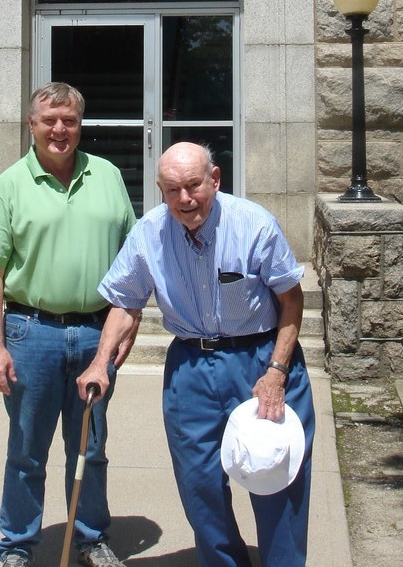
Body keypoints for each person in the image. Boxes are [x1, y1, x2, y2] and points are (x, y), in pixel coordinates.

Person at [78, 142, 315, 567]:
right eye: (172, 190)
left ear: (215, 179)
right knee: (199, 484)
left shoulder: (253, 224)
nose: (185, 199)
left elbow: (292, 302)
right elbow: (126, 304)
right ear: (160, 190)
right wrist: (101, 360)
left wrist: (277, 372)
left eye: (193, 185)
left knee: (276, 476)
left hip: (261, 357)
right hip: (190, 365)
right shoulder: (149, 233)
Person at [0, 82, 137, 567]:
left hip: (94, 334)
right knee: (26, 451)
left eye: (68, 120)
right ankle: (17, 545)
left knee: (91, 447)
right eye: (49, 120)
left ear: (79, 125)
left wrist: (130, 324)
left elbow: (133, 258)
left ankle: (90, 538)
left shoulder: (107, 176)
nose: (59, 129)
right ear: (32, 125)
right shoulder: (9, 185)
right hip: (31, 333)